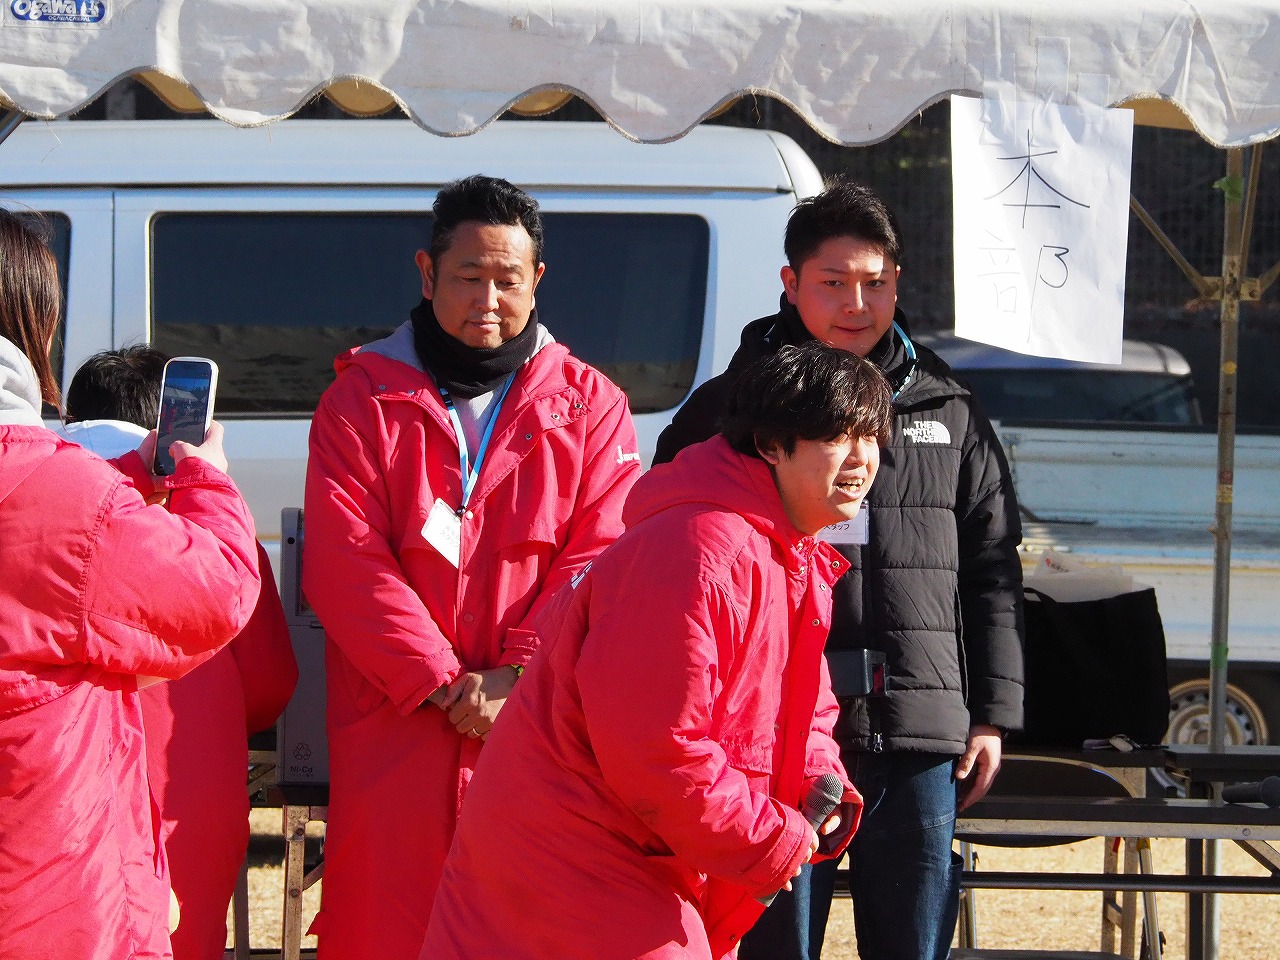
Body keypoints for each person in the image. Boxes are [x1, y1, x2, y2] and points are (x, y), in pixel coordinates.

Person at [422, 342, 891, 960]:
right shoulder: (698, 550)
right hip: (572, 863)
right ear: (771, 445)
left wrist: (817, 780)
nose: (860, 458)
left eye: (870, 436)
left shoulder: (780, 550)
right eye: (836, 436)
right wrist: (772, 837)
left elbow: (803, 709)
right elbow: (657, 751)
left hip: (633, 854)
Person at [655, 180, 1025, 960]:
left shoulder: (950, 408)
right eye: (833, 283)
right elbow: (672, 570)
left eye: (875, 283)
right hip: (773, 736)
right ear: (790, 284)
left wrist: (991, 714)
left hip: (919, 729)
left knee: (911, 944)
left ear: (898, 283)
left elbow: (992, 569)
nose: (857, 304)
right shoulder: (728, 409)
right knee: (772, 947)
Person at [304, 174, 642, 960]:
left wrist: (518, 677)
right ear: (427, 273)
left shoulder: (592, 406)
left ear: (538, 281)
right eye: (468, 277)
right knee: (391, 930)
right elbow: (346, 563)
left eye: (508, 280)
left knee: (531, 928)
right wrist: (439, 681)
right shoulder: (360, 401)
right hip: (399, 728)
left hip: (537, 730)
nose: (489, 300)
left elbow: (601, 559)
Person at [0, 211, 260, 959]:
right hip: (44, 887)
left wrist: (118, 481)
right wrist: (203, 479)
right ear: (32, 320)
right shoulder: (63, 492)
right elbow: (214, 592)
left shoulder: (67, 490)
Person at [60, 346, 300, 960]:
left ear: (68, 415)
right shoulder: (210, 517)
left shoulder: (34, 499)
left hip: (51, 797)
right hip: (184, 797)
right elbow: (270, 682)